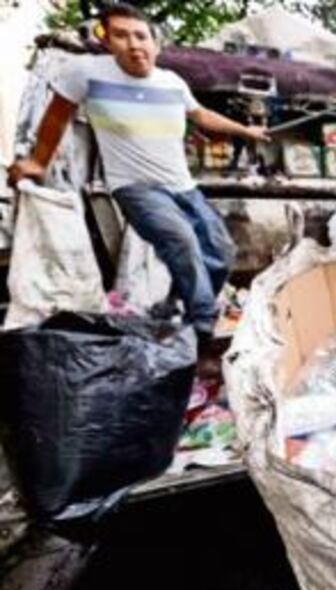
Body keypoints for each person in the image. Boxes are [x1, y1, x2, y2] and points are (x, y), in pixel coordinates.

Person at [6, 3, 268, 364]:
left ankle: (177, 308)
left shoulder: (172, 83)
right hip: (136, 187)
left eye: (141, 36)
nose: (134, 44)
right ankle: (204, 334)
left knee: (220, 250)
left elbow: (201, 115)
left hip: (182, 185)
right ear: (106, 39)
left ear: (155, 43)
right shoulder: (86, 73)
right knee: (182, 240)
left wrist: (246, 130)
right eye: (122, 35)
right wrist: (37, 161)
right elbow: (56, 118)